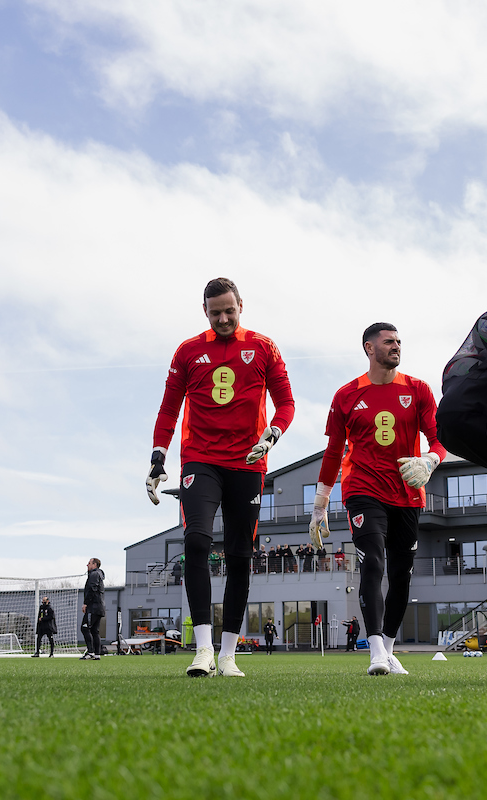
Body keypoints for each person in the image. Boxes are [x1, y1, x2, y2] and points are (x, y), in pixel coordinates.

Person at [146, 278, 295, 678]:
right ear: (205, 312)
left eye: (230, 311)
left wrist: (273, 434)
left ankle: (228, 654)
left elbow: (286, 402)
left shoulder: (263, 347)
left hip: (248, 461)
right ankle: (204, 650)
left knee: (240, 555)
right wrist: (159, 456)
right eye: (216, 313)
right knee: (195, 540)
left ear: (241, 305)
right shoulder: (189, 351)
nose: (224, 318)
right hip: (201, 459)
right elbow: (168, 409)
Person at [309, 323, 446, 676]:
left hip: (407, 494)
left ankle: (387, 648)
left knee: (402, 576)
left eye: (399, 341)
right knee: (373, 564)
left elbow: (439, 439)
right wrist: (319, 505)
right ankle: (374, 652)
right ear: (369, 348)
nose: (396, 346)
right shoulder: (346, 395)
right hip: (363, 491)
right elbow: (332, 453)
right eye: (389, 342)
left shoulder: (418, 390)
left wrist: (430, 460)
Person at [80, 557, 105, 660]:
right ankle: (97, 654)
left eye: (89, 563)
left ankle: (90, 652)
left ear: (94, 565)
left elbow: (92, 589)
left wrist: (86, 603)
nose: (87, 565)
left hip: (93, 608)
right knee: (95, 631)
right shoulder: (98, 574)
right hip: (99, 607)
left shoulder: (94, 574)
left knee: (85, 628)